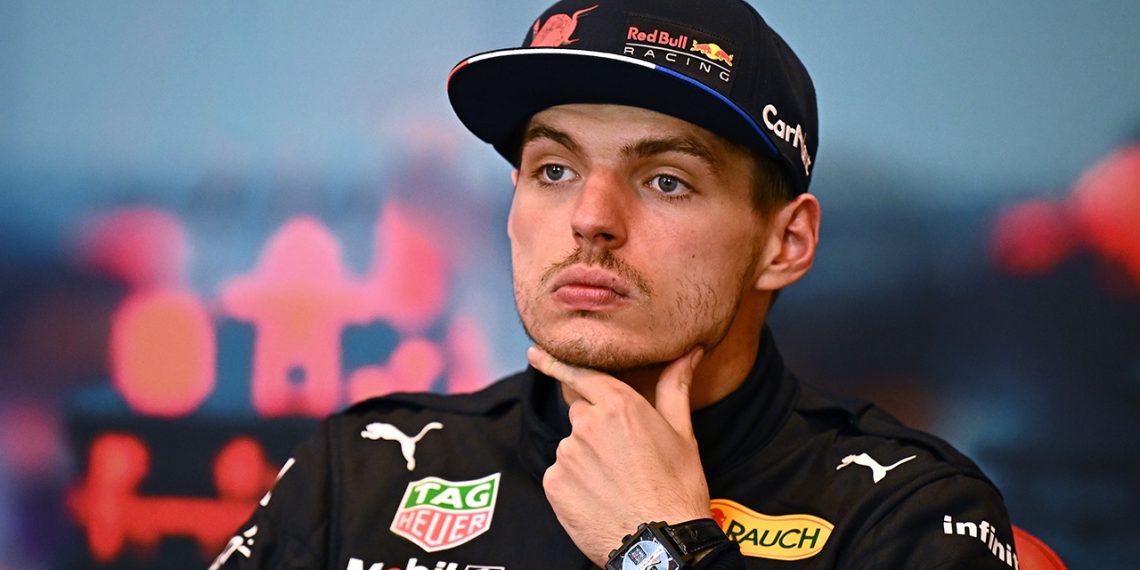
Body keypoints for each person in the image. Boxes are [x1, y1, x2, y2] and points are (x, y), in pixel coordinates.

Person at [212, 0, 1019, 568]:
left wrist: (662, 547)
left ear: (786, 242)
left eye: (666, 180)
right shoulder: (362, 473)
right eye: (553, 170)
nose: (590, 218)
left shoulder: (909, 511)